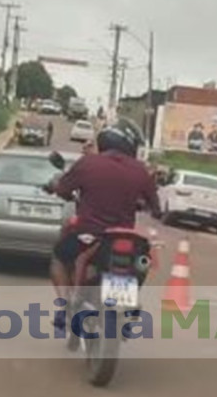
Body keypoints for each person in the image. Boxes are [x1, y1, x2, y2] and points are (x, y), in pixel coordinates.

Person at [45, 118, 161, 325]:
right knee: (143, 262)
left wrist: (55, 187)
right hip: (125, 238)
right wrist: (140, 203)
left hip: (89, 236)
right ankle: (130, 301)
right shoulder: (141, 171)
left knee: (58, 257)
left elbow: (63, 189)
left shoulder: (88, 163)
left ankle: (64, 305)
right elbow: (157, 210)